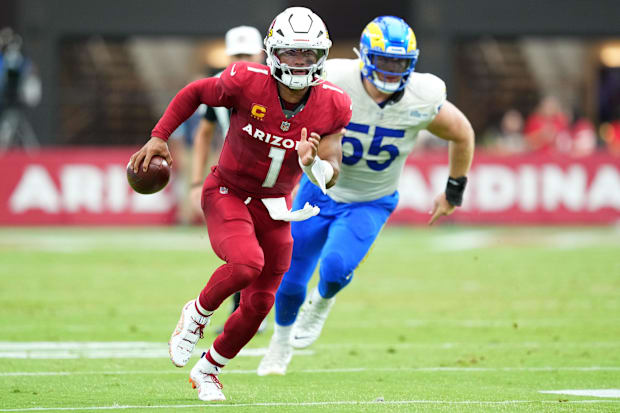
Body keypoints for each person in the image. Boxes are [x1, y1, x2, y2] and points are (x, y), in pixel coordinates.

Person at [128, 6, 352, 402]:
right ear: (272, 53)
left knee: (262, 301)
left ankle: (209, 369)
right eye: (291, 53)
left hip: (276, 205)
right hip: (228, 191)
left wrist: (312, 162)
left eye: (308, 54)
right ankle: (197, 314)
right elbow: (195, 92)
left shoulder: (333, 103)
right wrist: (160, 135)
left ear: (321, 56)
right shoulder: (244, 80)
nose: (300, 62)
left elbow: (332, 170)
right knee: (247, 264)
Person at [257, 15, 475, 376]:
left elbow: (463, 133)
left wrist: (454, 190)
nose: (391, 71)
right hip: (320, 190)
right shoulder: (335, 79)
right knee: (291, 277)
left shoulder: (423, 96)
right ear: (365, 56)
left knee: (336, 267)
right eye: (385, 60)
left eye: (399, 63)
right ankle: (279, 345)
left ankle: (323, 302)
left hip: (370, 200)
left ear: (412, 64)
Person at [187, 26, 267, 333]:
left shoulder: (279, 85)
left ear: (261, 54)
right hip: (236, 180)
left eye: (248, 55)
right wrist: (196, 181)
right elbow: (204, 132)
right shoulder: (220, 87)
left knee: (274, 250)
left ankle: (258, 311)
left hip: (277, 181)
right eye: (237, 56)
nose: (243, 61)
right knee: (244, 249)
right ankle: (243, 312)